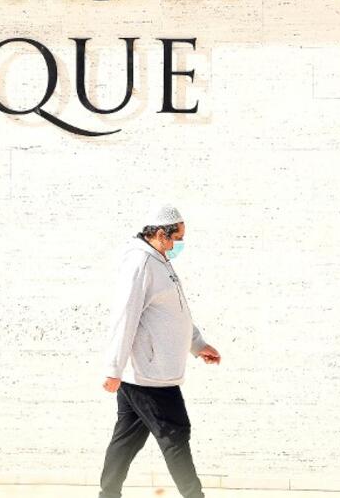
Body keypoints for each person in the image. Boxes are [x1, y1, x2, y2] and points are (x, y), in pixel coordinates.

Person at [97, 204, 221, 498]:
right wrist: (113, 369)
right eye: (177, 238)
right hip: (151, 376)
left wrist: (198, 344)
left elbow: (174, 312)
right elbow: (125, 316)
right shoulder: (140, 264)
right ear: (161, 233)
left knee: (126, 440)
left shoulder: (159, 260)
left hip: (148, 373)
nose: (180, 244)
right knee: (176, 436)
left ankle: (108, 494)